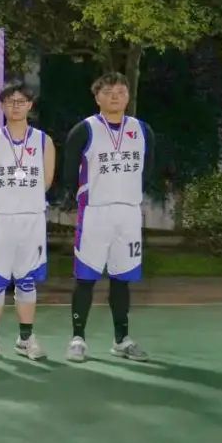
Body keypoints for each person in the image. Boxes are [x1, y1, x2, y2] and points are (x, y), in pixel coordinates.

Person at [64, 73, 156, 362]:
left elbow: (148, 170)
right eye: (108, 91)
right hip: (95, 212)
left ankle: (122, 340)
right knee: (86, 278)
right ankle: (78, 339)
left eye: (120, 91)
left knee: (122, 278)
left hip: (128, 213)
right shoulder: (85, 130)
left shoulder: (142, 130)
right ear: (97, 97)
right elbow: (69, 172)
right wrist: (82, 196)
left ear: (128, 96)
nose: (115, 96)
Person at [0, 84, 55, 360]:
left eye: (21, 101)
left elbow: (47, 180)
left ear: (30, 105)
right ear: (2, 106)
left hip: (31, 220)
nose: (16, 106)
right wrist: (5, 200)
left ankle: (25, 338)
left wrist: (24, 200)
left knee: (27, 280)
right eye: (10, 101)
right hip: (0, 218)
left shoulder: (43, 141)